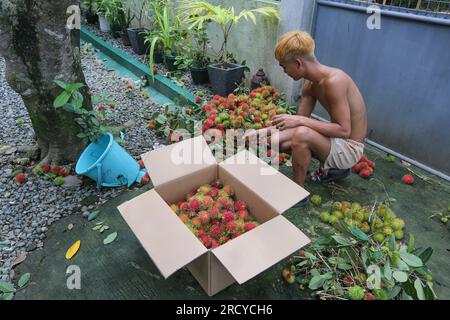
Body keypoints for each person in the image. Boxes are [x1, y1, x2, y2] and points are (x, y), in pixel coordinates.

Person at [246, 31, 367, 207]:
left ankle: (298, 193)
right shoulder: (309, 84)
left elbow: (344, 130)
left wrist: (300, 122)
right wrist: (259, 133)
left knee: (302, 134)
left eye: (284, 66)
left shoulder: (334, 81)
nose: (284, 71)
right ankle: (334, 169)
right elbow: (297, 122)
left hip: (350, 147)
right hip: (335, 139)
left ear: (298, 63)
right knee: (275, 141)